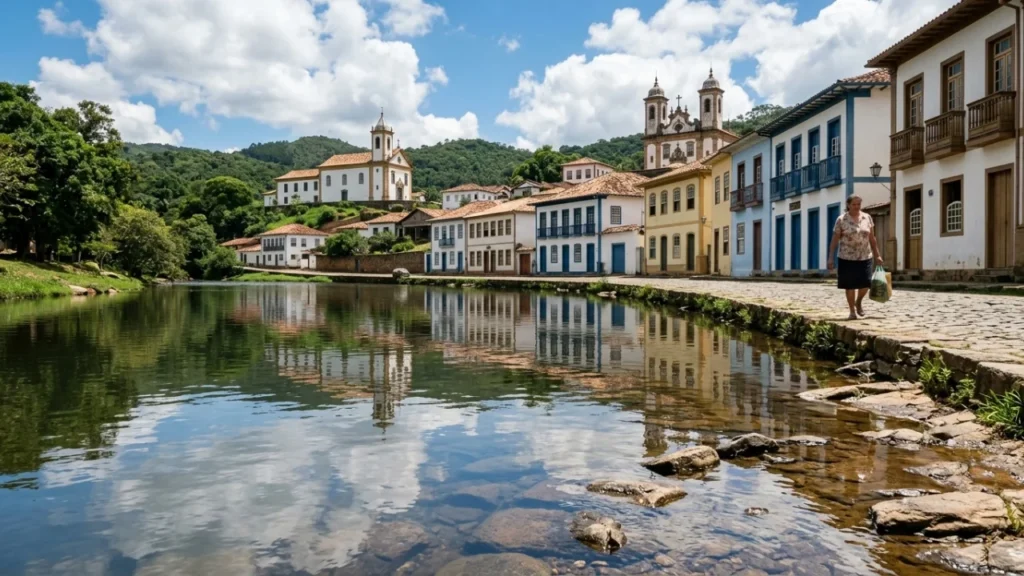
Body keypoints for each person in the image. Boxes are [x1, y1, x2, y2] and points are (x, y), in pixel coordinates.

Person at [827, 195, 883, 320]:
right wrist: (830, 257)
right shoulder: (841, 220)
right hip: (846, 257)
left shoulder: (867, 217)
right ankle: (852, 311)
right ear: (848, 205)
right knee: (850, 285)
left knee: (866, 283)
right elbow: (835, 239)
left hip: (865, 255)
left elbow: (872, 239)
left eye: (858, 204)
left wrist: (877, 255)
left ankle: (858, 302)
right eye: (854, 204)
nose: (856, 207)